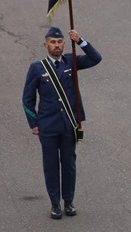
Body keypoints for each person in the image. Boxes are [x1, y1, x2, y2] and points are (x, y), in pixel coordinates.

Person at [22, 27, 102, 219]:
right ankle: (55, 203)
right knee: (51, 166)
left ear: (64, 44)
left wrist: (80, 40)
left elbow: (95, 58)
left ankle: (69, 201)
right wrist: (33, 123)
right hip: (47, 126)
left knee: (68, 164)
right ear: (45, 45)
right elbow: (27, 98)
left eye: (59, 42)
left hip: (68, 125)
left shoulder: (71, 61)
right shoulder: (37, 68)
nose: (56, 46)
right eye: (52, 42)